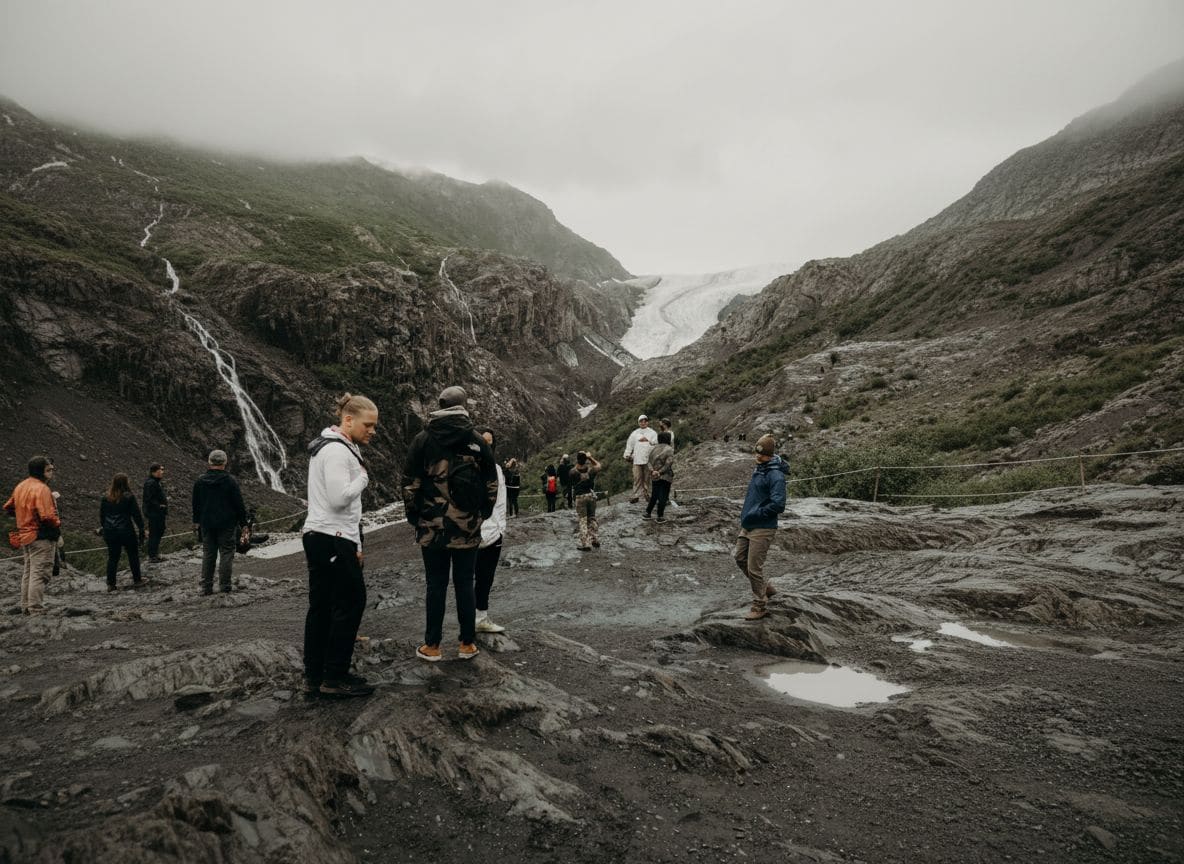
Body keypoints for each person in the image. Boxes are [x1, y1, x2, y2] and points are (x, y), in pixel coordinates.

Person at [401, 386, 497, 662]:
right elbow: (491, 482)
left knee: (435, 584)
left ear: (440, 405)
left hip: (431, 526)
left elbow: (409, 483)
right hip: (466, 526)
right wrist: (482, 515)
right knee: (466, 583)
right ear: (463, 406)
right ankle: (467, 644)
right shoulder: (477, 441)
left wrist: (414, 517)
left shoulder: (422, 440)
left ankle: (432, 646)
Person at [302, 393, 378, 699]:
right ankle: (334, 676)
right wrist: (363, 478)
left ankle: (314, 674)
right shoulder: (337, 452)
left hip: (323, 535)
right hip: (332, 537)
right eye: (368, 425)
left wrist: (357, 541)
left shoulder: (330, 447)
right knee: (350, 603)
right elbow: (338, 498)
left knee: (322, 606)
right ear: (348, 420)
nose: (372, 431)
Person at [734, 434, 787, 621]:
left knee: (754, 568)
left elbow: (779, 504)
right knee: (739, 557)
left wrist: (758, 513)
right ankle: (766, 588)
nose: (758, 456)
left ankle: (760, 605)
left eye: (762, 454)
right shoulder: (761, 469)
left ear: (769, 454)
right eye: (757, 453)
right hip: (749, 524)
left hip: (763, 526)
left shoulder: (775, 474)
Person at [4, 456, 61, 615]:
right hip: (40, 536)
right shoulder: (42, 489)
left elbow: (8, 507)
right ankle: (35, 608)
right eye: (48, 469)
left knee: (28, 572)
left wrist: (24, 515)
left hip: (25, 535)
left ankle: (26, 606)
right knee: (40, 572)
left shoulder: (21, 486)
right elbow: (47, 516)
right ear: (40, 471)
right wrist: (57, 525)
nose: (51, 472)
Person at [191, 449, 247, 596]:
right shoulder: (230, 481)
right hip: (227, 523)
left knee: (208, 554)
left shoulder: (200, 481)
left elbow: (195, 504)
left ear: (209, 462)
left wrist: (196, 522)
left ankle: (206, 587)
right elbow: (238, 504)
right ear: (225, 462)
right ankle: (225, 586)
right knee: (226, 553)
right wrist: (244, 523)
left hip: (206, 523)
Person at [475, 428, 507, 633]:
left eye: (490, 442)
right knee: (468, 577)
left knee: (486, 576)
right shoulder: (467, 468)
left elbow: (501, 501)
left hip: (494, 531)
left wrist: (501, 528)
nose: (487, 445)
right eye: (483, 441)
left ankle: (481, 617)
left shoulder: (496, 469)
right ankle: (471, 621)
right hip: (472, 532)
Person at [99, 474, 146, 591]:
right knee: (133, 555)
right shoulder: (129, 497)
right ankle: (137, 579)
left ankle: (111, 584)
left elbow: (102, 516)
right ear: (126, 483)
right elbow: (136, 515)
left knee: (113, 557)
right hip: (126, 531)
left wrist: (105, 528)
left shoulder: (106, 497)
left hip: (110, 532)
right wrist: (141, 528)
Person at [570, 451, 601, 551]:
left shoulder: (573, 472)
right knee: (592, 518)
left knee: (583, 520)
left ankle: (586, 543)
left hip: (580, 497)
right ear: (586, 459)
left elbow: (570, 483)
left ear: (577, 459)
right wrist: (590, 458)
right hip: (591, 496)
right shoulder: (591, 471)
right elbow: (598, 465)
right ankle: (595, 539)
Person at [623, 414, 658, 503]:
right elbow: (629, 444)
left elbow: (656, 443)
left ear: (647, 422)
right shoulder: (634, 433)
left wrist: (647, 440)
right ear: (638, 422)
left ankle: (647, 495)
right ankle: (635, 495)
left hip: (648, 459)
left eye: (645, 421)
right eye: (641, 421)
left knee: (647, 478)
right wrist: (627, 454)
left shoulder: (652, 433)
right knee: (637, 478)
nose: (643, 423)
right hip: (637, 459)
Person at [645, 432, 675, 522]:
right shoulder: (670, 449)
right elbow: (668, 463)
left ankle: (648, 513)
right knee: (663, 496)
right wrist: (659, 472)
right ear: (668, 439)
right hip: (665, 476)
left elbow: (648, 461)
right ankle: (660, 516)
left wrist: (653, 471)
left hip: (654, 475)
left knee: (654, 494)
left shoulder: (652, 448)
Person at [142, 463, 168, 563]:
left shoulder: (154, 482)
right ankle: (153, 555)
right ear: (154, 472)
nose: (162, 472)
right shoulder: (151, 483)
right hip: (155, 513)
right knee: (155, 533)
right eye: (160, 470)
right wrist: (159, 506)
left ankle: (154, 554)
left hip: (157, 513)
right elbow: (149, 499)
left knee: (159, 531)